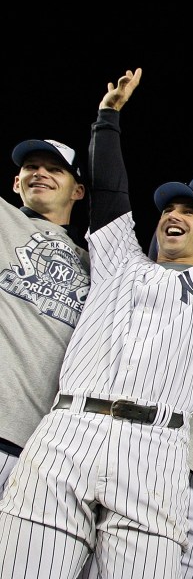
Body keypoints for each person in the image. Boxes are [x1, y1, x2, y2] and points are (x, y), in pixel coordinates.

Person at [0, 68, 193, 578]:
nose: (176, 213)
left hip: (155, 448)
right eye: (171, 206)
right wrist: (108, 117)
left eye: (191, 211)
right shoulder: (118, 259)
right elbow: (109, 191)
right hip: (67, 431)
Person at [0, 138, 89, 492]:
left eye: (55, 169)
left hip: (43, 450)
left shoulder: (95, 264)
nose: (40, 173)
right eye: (31, 168)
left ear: (77, 191)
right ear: (16, 182)